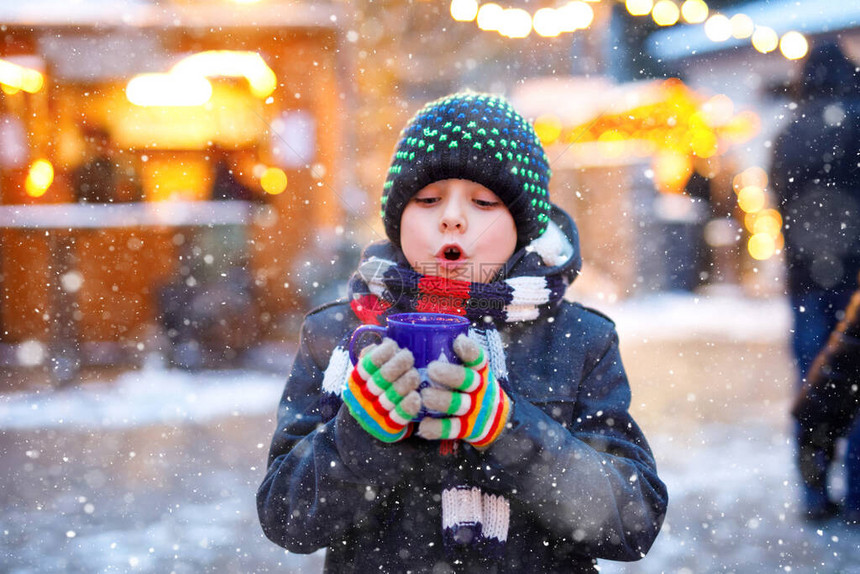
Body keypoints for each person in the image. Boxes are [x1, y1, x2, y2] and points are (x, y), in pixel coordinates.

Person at [257, 92, 668, 572]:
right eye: (428, 199)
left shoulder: (579, 339)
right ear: (398, 220)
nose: (452, 217)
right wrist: (360, 433)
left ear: (521, 226)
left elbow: (631, 521)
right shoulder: (337, 333)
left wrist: (507, 428)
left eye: (484, 201)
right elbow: (286, 518)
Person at [770, 40, 860, 521]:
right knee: (858, 382)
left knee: (815, 385)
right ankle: (858, 496)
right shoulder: (858, 122)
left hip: (805, 280)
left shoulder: (790, 133)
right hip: (854, 279)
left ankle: (814, 493)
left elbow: (778, 202)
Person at [793, 274, 860, 524]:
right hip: (823, 272)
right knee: (824, 384)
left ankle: (816, 496)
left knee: (819, 385)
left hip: (811, 276)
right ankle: (849, 498)